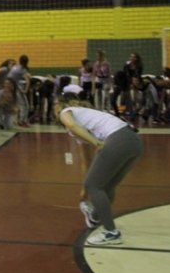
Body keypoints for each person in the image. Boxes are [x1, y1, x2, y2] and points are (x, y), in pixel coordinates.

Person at [57, 85, 144, 246]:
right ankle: (95, 217)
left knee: (95, 186)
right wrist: (86, 187)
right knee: (105, 186)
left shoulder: (67, 112)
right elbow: (87, 161)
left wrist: (95, 142)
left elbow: (71, 124)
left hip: (117, 140)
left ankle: (112, 233)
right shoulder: (88, 119)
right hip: (134, 143)